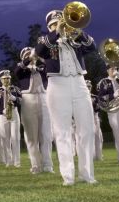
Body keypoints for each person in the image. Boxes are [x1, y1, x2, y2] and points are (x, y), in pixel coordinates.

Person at [34, 11, 97, 185]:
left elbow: (92, 47)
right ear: (49, 27)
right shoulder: (45, 40)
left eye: (61, 22)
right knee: (62, 132)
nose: (60, 25)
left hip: (79, 82)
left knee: (86, 130)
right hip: (57, 84)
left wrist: (78, 31)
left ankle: (87, 174)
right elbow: (39, 51)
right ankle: (68, 176)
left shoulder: (75, 40)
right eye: (55, 23)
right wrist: (56, 32)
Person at [15, 47, 53, 174]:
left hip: (44, 98)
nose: (30, 56)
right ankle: (36, 166)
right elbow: (17, 70)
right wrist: (29, 58)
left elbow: (51, 65)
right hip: (28, 100)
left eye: (31, 54)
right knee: (32, 137)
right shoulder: (22, 70)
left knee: (46, 135)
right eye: (26, 55)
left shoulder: (42, 67)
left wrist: (39, 57)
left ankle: (48, 165)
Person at [85, 80, 103, 161]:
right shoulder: (81, 97)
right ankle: (91, 156)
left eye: (89, 86)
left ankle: (99, 155)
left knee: (98, 136)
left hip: (94, 117)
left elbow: (98, 108)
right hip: (86, 117)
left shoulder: (95, 97)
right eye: (87, 86)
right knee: (89, 137)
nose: (88, 88)